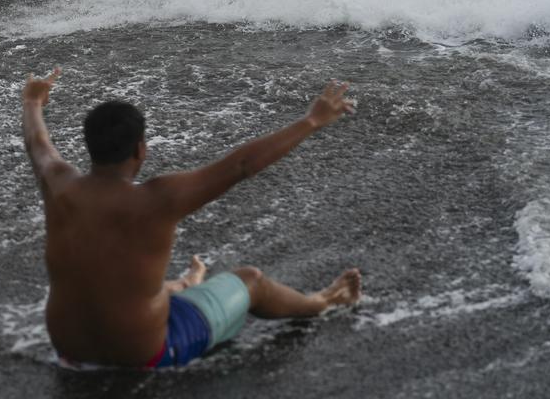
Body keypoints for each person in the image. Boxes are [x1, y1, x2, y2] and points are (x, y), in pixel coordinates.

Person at [20, 68, 362, 368]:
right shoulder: (158, 199)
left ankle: (185, 285)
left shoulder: (59, 184)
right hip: (145, 354)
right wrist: (312, 120)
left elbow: (38, 142)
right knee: (251, 280)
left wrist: (33, 101)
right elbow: (242, 165)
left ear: (89, 145)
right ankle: (323, 302)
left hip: (70, 350)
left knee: (137, 286)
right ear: (141, 149)